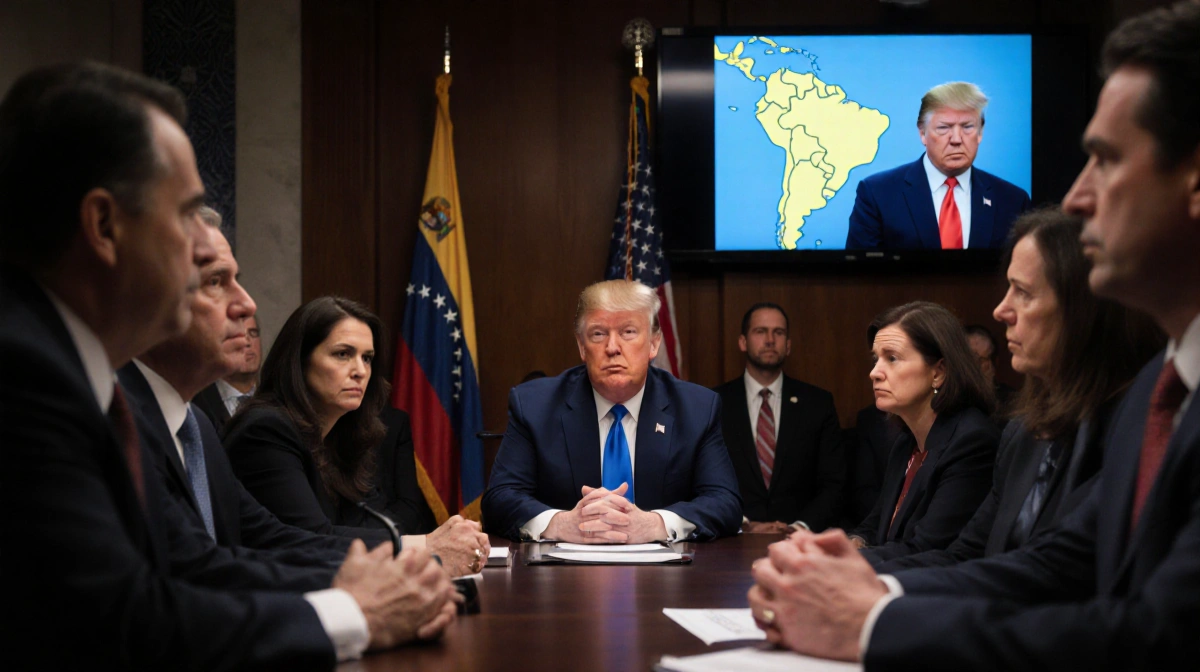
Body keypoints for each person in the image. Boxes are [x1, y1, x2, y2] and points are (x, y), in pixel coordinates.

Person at [748, 2, 1200, 667]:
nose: (1076, 199)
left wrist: (870, 625)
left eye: (1103, 159)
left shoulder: (1128, 402)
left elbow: (1159, 637)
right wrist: (866, 593)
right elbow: (1054, 566)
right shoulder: (1154, 397)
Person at [0, 61, 456, 670]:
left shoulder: (79, 375)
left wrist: (380, 588)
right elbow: (119, 623)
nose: (200, 246)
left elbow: (189, 564)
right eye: (187, 212)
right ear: (104, 226)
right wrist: (357, 614)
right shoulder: (23, 377)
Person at [879, 208, 1164, 572]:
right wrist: (859, 577)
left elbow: (1048, 580)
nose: (1000, 310)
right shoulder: (1022, 432)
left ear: (1082, 310)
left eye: (1023, 293)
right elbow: (968, 555)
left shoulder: (1134, 428)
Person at [119, 217, 364, 567]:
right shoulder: (112, 417)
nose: (248, 304)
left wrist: (408, 566)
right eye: (216, 281)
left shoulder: (198, 426)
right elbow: (189, 579)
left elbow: (268, 538)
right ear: (151, 294)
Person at [225, 295, 489, 576]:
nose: (361, 371)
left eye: (367, 358)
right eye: (342, 354)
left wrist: (439, 542)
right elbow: (309, 540)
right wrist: (426, 545)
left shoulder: (341, 434)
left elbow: (364, 525)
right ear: (299, 360)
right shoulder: (265, 431)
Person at [481, 279, 742, 543]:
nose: (613, 347)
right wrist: (560, 524)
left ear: (654, 344)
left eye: (628, 332)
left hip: (666, 578)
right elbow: (500, 499)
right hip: (563, 575)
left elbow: (725, 502)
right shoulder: (534, 406)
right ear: (582, 347)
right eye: (598, 334)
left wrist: (656, 524)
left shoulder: (696, 408)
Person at [846, 302, 999, 563]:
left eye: (892, 358)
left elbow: (926, 549)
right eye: (876, 359)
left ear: (938, 373)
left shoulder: (971, 441)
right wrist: (846, 545)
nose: (874, 373)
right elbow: (872, 528)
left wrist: (835, 563)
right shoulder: (906, 442)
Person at [845, 81, 1031, 250]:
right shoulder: (877, 194)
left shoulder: (1013, 201)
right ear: (923, 134)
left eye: (967, 127)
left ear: (980, 133)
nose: (957, 139)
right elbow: (858, 277)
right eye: (944, 128)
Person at [714, 302, 844, 533]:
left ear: (789, 345)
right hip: (732, 539)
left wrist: (799, 527)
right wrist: (743, 524)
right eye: (760, 331)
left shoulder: (818, 404)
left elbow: (834, 483)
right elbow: (705, 482)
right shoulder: (714, 403)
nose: (770, 340)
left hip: (803, 542)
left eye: (779, 332)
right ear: (743, 342)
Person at [964, 324, 1016, 412]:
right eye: (976, 359)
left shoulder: (1011, 401)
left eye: (989, 358)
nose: (987, 366)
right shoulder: (948, 402)